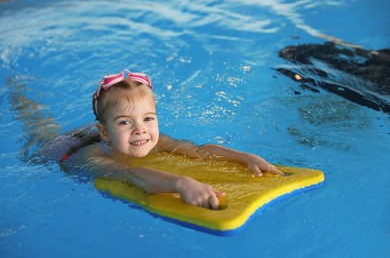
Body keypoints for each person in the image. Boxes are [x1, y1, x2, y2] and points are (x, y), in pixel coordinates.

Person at [65, 69, 284, 210]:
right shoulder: (94, 157)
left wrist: (245, 157)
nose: (140, 130)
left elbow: (198, 150)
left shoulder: (156, 142)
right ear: (105, 133)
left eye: (148, 118)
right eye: (125, 122)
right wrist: (181, 183)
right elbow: (132, 175)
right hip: (64, 149)